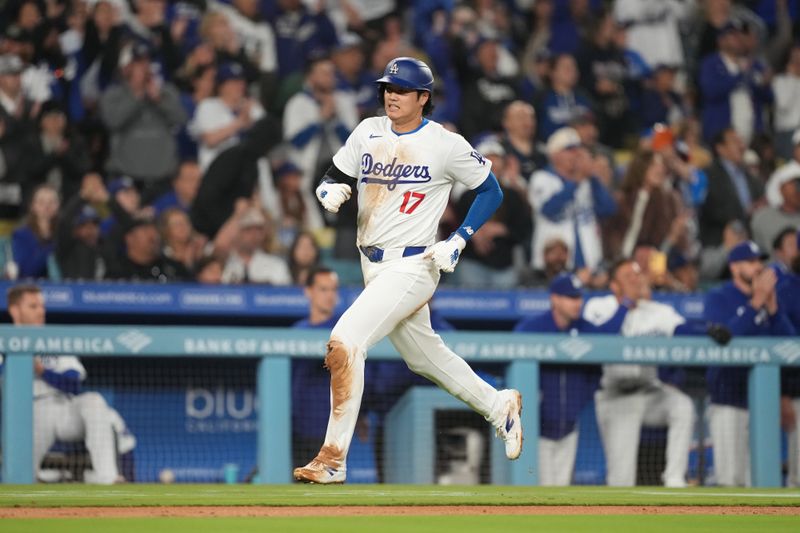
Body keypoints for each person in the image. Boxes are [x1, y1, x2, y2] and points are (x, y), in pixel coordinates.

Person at [293, 57, 522, 484]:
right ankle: (499, 405)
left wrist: (460, 237)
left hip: (414, 263)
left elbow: (491, 190)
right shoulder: (368, 130)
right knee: (425, 358)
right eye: (387, 88)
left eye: (400, 90)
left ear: (423, 98)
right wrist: (329, 188)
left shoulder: (445, 143)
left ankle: (332, 458)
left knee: (345, 342)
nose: (391, 96)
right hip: (371, 261)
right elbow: (335, 174)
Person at [584, 259, 732, 488]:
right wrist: (626, 304)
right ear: (614, 285)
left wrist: (709, 329)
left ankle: (674, 479)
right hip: (616, 396)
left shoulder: (657, 311)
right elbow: (601, 336)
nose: (636, 279)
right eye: (628, 277)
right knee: (621, 480)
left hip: (650, 392)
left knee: (682, 406)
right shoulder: (598, 306)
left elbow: (682, 329)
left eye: (637, 274)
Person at [6, 284, 134, 484]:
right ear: (15, 310)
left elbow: (74, 383)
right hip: (27, 413)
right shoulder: (3, 340)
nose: (41, 311)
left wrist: (42, 371)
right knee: (20, 478)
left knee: (94, 400)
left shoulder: (54, 339)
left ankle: (107, 478)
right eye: (33, 306)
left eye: (42, 306)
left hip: (64, 408)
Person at [514, 274, 623, 486]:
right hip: (537, 430)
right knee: (538, 490)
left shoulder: (584, 327)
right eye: (571, 297)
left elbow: (608, 339)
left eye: (579, 297)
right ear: (555, 299)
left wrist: (624, 305)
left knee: (561, 491)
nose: (577, 303)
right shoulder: (533, 327)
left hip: (570, 427)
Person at [704, 241, 796, 486]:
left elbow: (790, 347)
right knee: (730, 480)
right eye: (751, 262)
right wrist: (756, 302)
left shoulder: (771, 299)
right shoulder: (719, 297)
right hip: (728, 399)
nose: (758, 267)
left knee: (762, 481)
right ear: (735, 268)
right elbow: (724, 338)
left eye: (760, 262)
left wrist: (773, 308)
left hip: (763, 403)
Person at [529, 127, 617, 274]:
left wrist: (593, 177)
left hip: (590, 265)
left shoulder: (587, 182)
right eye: (569, 150)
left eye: (578, 150)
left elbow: (608, 210)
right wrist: (575, 182)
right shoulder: (541, 178)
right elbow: (549, 210)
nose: (576, 155)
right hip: (552, 266)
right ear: (554, 155)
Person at [10, 184, 59, 279]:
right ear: (33, 206)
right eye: (41, 202)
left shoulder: (64, 232)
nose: (47, 206)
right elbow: (27, 270)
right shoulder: (22, 235)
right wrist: (49, 247)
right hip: (31, 288)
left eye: (51, 202)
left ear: (58, 205)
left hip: (63, 288)